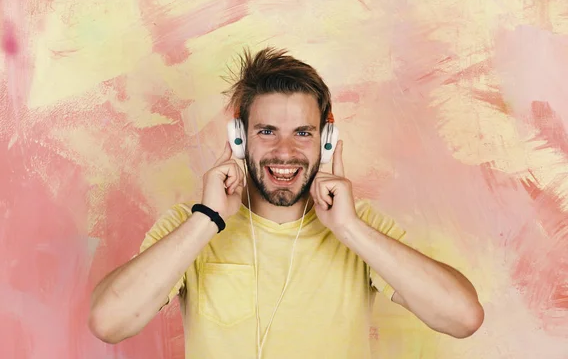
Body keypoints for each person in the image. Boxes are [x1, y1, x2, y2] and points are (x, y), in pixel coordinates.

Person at [88, 47, 484, 358]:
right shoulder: (190, 225)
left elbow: (463, 318)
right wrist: (207, 220)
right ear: (240, 136)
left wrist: (348, 229)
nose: (285, 151)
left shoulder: (358, 225)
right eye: (267, 131)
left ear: (325, 139)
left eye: (303, 133)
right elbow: (109, 322)